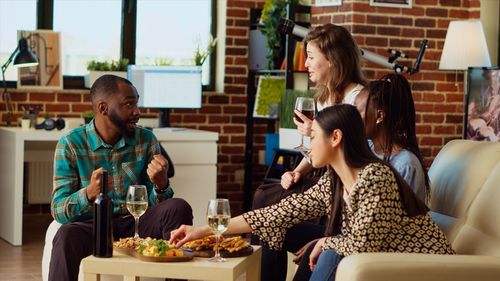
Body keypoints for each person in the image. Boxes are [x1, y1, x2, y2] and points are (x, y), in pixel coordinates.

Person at [170, 104, 454, 281]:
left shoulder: (375, 176)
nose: (308, 144)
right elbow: (279, 212)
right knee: (277, 225)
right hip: (379, 257)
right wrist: (204, 231)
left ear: (336, 137)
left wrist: (325, 242)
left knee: (329, 252)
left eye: (314, 136)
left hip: (421, 264)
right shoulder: (336, 179)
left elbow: (365, 244)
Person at [48, 75, 193, 281]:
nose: (137, 112)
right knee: (65, 235)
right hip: (93, 225)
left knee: (178, 206)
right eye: (129, 104)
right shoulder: (71, 144)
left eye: (137, 103)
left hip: (135, 222)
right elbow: (58, 210)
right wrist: (88, 194)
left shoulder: (146, 139)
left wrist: (161, 186)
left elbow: (155, 205)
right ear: (103, 108)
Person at [252, 23, 366, 281]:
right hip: (325, 177)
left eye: (312, 57)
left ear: (333, 60)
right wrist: (297, 171)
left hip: (339, 182)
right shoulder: (325, 96)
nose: (306, 64)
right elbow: (319, 150)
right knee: (266, 201)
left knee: (265, 202)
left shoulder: (358, 99)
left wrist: (315, 132)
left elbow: (354, 152)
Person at [294, 73, 432, 280]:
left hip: (386, 248)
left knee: (329, 253)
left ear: (380, 116)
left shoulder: (405, 165)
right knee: (282, 228)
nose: (351, 118)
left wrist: (326, 242)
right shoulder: (364, 149)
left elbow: (384, 230)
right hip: (355, 236)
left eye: (357, 111)